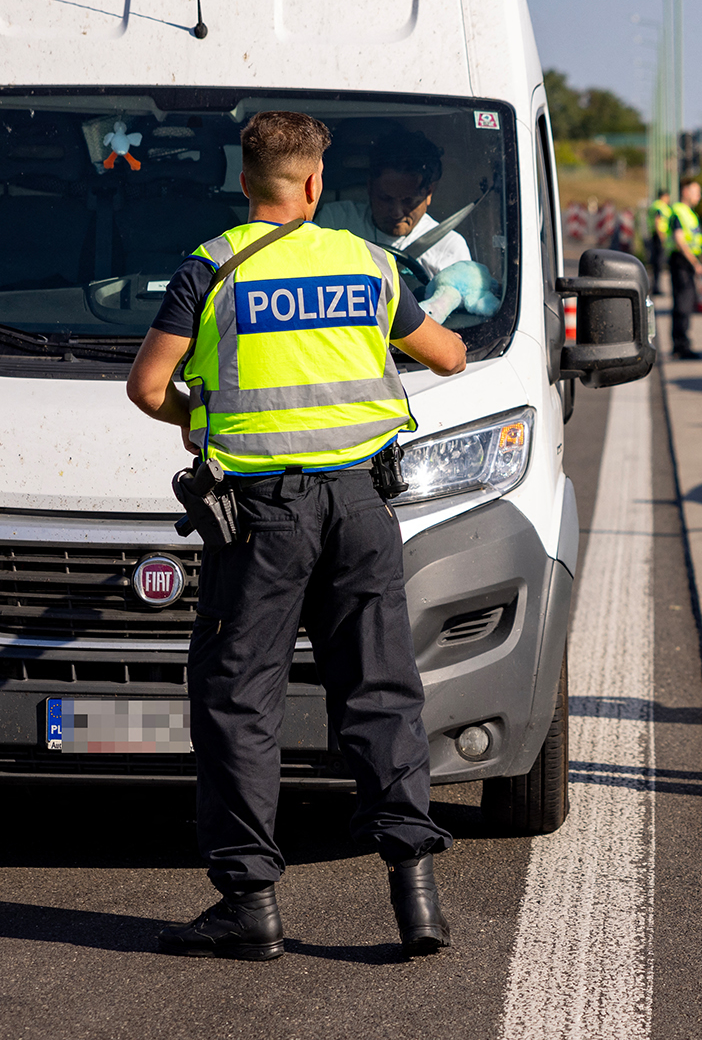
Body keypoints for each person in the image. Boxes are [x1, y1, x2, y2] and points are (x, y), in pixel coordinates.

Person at [126, 110, 468, 960]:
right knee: (381, 690)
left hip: (263, 520)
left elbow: (147, 386)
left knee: (241, 699)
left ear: (245, 184)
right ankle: (415, 896)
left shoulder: (210, 266)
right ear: (315, 184)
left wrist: (197, 412)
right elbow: (451, 356)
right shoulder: (367, 262)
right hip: (361, 508)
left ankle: (250, 905)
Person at [316, 132, 473, 274]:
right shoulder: (335, 222)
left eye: (409, 201)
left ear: (429, 193)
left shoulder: (448, 246)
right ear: (370, 187)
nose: (396, 212)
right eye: (385, 198)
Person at [667, 181, 702, 359]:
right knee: (683, 303)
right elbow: (679, 240)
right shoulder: (679, 212)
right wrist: (694, 263)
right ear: (685, 191)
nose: (699, 196)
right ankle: (681, 345)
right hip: (682, 261)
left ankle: (682, 344)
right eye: (696, 192)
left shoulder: (689, 213)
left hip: (687, 262)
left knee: (687, 303)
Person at [647, 190, 672, 296]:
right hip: (659, 236)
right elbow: (658, 221)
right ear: (665, 196)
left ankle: (655, 286)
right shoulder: (660, 207)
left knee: (656, 262)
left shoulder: (654, 205)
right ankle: (656, 287)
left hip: (654, 235)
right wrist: (662, 237)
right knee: (659, 262)